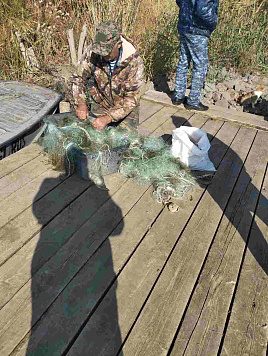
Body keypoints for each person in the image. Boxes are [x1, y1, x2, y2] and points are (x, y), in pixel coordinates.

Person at [68, 21, 144, 130]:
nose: (102, 55)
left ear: (118, 45)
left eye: (106, 51)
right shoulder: (93, 51)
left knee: (124, 142)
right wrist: (81, 102)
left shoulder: (134, 62)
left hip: (125, 109)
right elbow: (77, 78)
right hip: (101, 102)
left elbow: (131, 98)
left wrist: (108, 118)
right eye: (100, 51)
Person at [172, 0, 219, 111]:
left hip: (185, 25)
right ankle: (193, 101)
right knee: (201, 64)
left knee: (183, 61)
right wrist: (213, 21)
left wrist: (186, 11)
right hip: (197, 28)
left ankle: (178, 96)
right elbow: (202, 9)